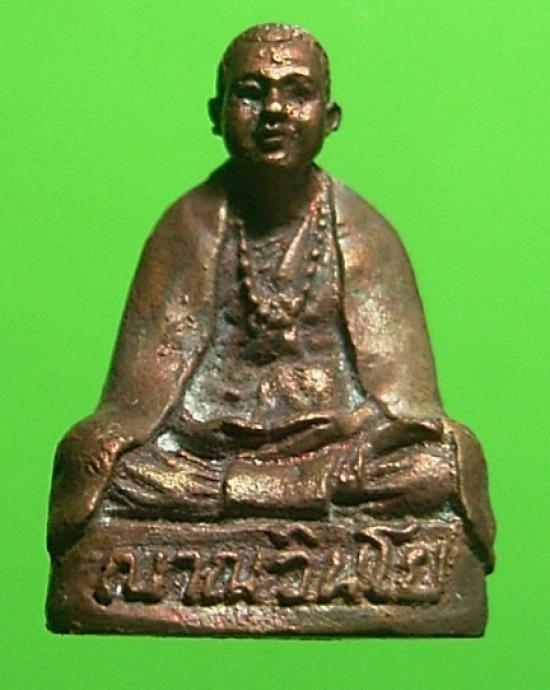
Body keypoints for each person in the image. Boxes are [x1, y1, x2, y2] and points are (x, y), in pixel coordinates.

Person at [48, 24, 494, 573]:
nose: (275, 111)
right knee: (98, 463)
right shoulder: (185, 228)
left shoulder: (367, 235)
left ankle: (247, 504)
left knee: (441, 466)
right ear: (217, 114)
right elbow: (136, 402)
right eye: (252, 93)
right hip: (209, 450)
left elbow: (409, 406)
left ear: (330, 118)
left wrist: (341, 451)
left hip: (334, 453)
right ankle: (263, 505)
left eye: (297, 93)